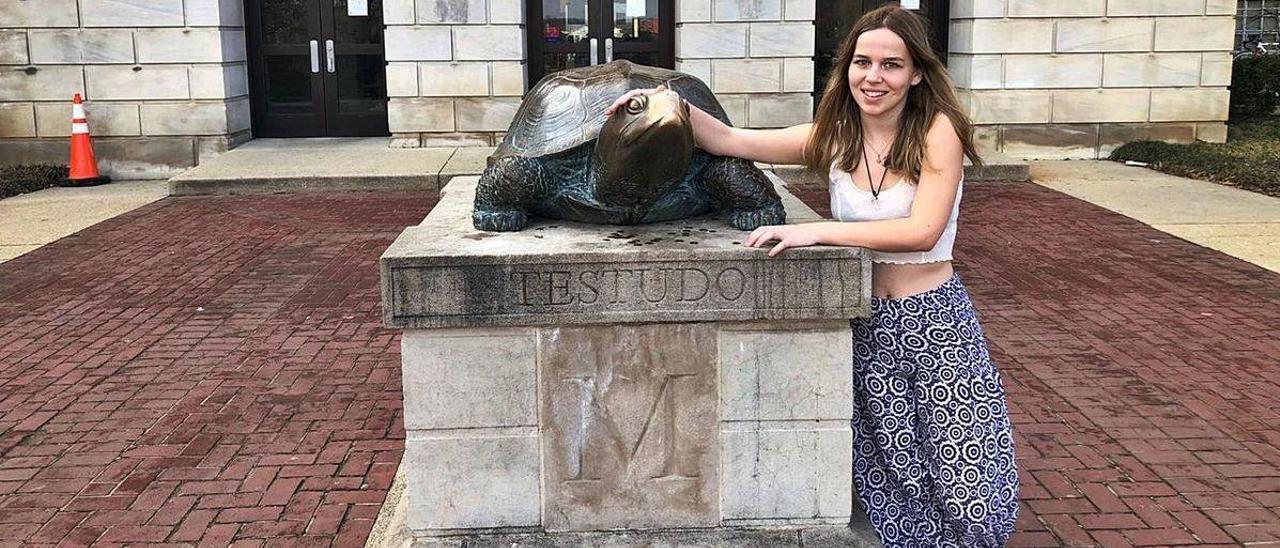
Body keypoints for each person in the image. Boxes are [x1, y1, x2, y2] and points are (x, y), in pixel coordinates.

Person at [607, 5, 1018, 547]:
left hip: (934, 320)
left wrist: (816, 231)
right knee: (896, 463)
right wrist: (665, 106)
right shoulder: (838, 135)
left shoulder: (937, 131)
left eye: (891, 65)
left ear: (917, 72)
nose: (873, 78)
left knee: (964, 464)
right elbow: (734, 141)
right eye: (862, 62)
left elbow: (921, 230)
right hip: (869, 319)